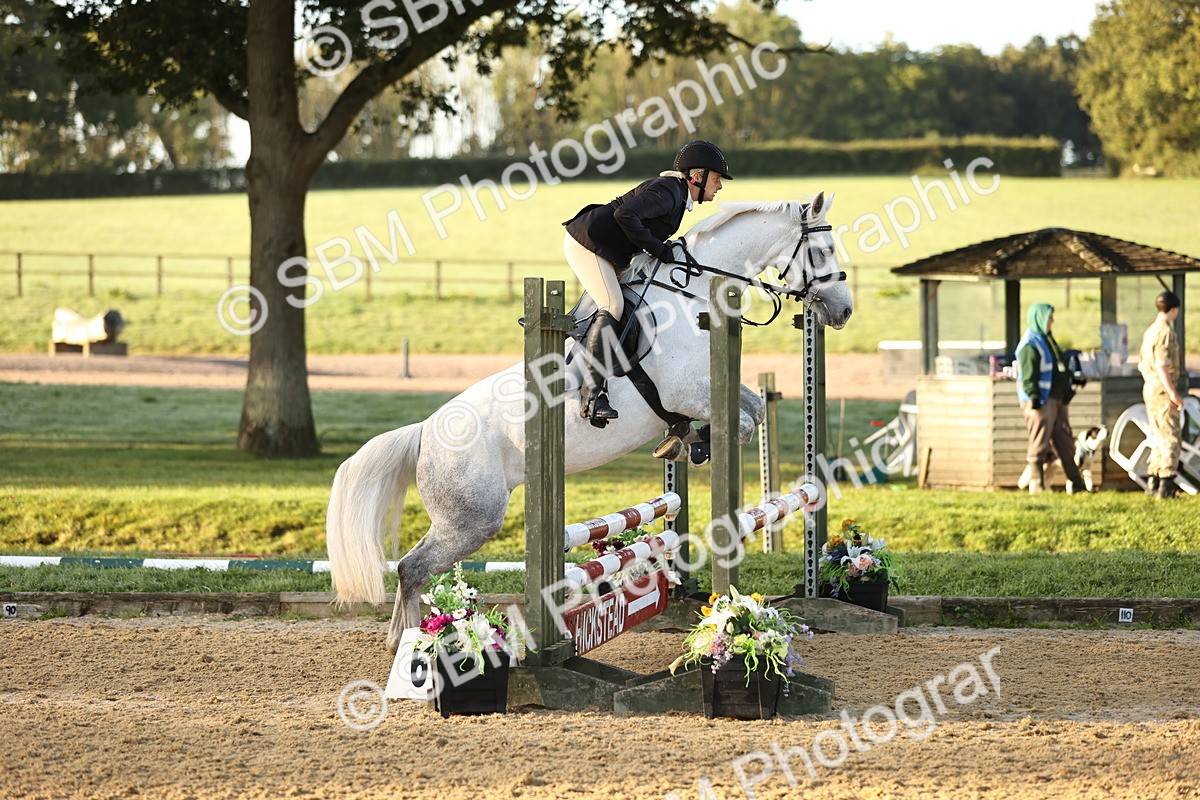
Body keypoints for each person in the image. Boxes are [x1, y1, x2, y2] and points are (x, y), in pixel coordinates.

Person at [561, 140, 731, 424]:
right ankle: (592, 395)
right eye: (716, 179)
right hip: (588, 242)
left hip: (606, 248)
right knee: (613, 305)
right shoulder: (668, 190)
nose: (720, 186)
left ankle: (576, 361)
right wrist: (658, 248)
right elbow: (624, 215)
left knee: (622, 303)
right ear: (697, 177)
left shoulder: (676, 196)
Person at [1015, 302, 1087, 494]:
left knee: (1064, 441)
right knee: (1039, 441)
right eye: (1049, 317)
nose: (1052, 321)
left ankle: (1076, 484)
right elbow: (1028, 375)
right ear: (1039, 318)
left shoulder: (1046, 339)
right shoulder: (1030, 344)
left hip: (1056, 399)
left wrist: (1071, 380)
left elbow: (1058, 367)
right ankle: (1037, 484)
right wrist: (1034, 397)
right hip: (1041, 401)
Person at [1138, 291, 1185, 499]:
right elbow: (1162, 365)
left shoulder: (1150, 331)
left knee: (1158, 436)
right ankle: (1166, 485)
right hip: (1162, 389)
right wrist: (1173, 393)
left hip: (1150, 387)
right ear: (1174, 309)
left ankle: (1153, 480)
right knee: (1171, 436)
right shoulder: (1165, 332)